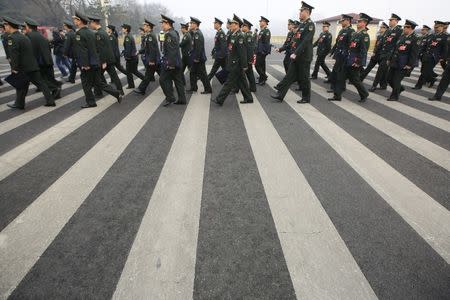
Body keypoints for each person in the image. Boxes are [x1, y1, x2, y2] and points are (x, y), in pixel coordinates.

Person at [71, 11, 122, 108]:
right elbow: (97, 49)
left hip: (88, 64)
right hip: (95, 62)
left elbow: (83, 51)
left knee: (86, 83)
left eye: (75, 20)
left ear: (79, 21)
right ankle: (116, 93)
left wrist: (85, 64)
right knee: (98, 82)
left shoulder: (79, 34)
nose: (74, 21)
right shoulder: (92, 33)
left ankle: (91, 102)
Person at [4, 16, 56, 109]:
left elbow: (15, 55)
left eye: (5, 25)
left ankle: (19, 104)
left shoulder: (12, 38)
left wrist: (14, 68)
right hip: (32, 65)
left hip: (23, 67)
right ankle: (50, 100)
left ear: (9, 26)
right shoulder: (23, 37)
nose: (5, 27)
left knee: (21, 86)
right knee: (41, 83)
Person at [271, 1, 315, 104]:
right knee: (289, 76)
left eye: (301, 11)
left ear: (307, 12)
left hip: (304, 57)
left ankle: (306, 97)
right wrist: (284, 49)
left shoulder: (310, 25)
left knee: (304, 78)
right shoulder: (302, 25)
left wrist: (296, 53)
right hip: (296, 55)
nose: (300, 13)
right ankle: (280, 95)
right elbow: (295, 41)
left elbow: (306, 41)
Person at [328, 13, 371, 102]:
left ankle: (364, 93)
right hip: (348, 59)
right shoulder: (355, 33)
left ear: (364, 23)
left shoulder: (364, 35)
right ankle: (337, 96)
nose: (357, 23)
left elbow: (363, 51)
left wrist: (358, 62)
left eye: (360, 21)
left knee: (355, 80)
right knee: (340, 77)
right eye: (358, 21)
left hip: (354, 61)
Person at [211, 14, 253, 106]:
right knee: (243, 82)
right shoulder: (234, 35)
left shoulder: (240, 36)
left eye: (233, 23)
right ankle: (249, 98)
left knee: (229, 83)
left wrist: (245, 65)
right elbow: (230, 49)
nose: (231, 25)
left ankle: (220, 99)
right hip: (234, 62)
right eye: (231, 23)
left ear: (237, 25)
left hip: (237, 64)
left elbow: (242, 53)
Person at [23, 17, 62, 99]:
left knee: (40, 79)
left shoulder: (28, 36)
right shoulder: (41, 36)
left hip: (39, 61)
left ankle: (55, 88)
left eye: (25, 26)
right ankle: (56, 89)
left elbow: (31, 51)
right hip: (47, 60)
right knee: (48, 78)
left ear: (28, 27)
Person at [88, 15, 124, 97]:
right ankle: (120, 91)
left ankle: (99, 92)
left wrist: (103, 61)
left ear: (94, 22)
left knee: (97, 77)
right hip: (109, 59)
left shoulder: (98, 34)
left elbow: (101, 49)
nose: (90, 25)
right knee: (113, 76)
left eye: (90, 23)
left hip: (105, 60)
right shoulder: (103, 32)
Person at [386, 19, 419, 101]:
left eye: (406, 27)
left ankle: (394, 96)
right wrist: (390, 59)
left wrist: (409, 65)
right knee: (389, 79)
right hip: (395, 61)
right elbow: (395, 49)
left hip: (404, 63)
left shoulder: (415, 39)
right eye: (404, 27)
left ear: (410, 28)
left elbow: (414, 54)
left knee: (396, 80)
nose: (404, 29)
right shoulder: (402, 36)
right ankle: (399, 88)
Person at [369, 13, 403, 91]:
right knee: (384, 71)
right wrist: (375, 51)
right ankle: (383, 85)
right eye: (389, 20)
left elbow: (398, 44)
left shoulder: (399, 31)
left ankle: (374, 86)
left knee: (380, 70)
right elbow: (381, 42)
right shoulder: (388, 30)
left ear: (396, 21)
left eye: (391, 20)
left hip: (389, 55)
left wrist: (393, 55)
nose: (390, 22)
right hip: (383, 54)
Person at [159, 14, 186, 107]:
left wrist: (170, 64)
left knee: (162, 80)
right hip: (177, 62)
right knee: (178, 81)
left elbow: (172, 51)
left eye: (163, 23)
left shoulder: (169, 34)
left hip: (172, 63)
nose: (162, 25)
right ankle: (182, 99)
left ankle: (170, 98)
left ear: (167, 24)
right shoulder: (174, 32)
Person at [413, 21, 448, 89]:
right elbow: (425, 45)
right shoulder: (431, 35)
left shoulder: (444, 37)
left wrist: (443, 57)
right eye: (435, 27)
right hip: (426, 56)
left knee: (424, 71)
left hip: (434, 57)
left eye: (437, 27)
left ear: (442, 27)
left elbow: (445, 49)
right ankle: (432, 79)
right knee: (424, 70)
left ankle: (418, 85)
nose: (436, 28)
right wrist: (421, 53)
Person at [326, 14, 354, 92]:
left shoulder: (351, 31)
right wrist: (332, 52)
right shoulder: (342, 30)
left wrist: (348, 55)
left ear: (348, 21)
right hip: (339, 54)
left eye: (343, 21)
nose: (341, 22)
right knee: (337, 72)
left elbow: (350, 45)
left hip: (344, 55)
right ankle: (339, 87)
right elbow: (337, 43)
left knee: (338, 72)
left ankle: (336, 88)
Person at [134, 19, 160, 95]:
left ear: (148, 26)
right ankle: (142, 89)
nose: (143, 27)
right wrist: (139, 51)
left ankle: (141, 89)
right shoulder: (149, 35)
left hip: (153, 60)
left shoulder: (150, 36)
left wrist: (151, 60)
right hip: (154, 59)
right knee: (159, 74)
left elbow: (152, 49)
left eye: (144, 26)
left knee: (148, 75)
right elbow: (146, 48)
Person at [187, 17, 212, 94]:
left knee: (202, 74)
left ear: (195, 24)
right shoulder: (195, 33)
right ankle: (193, 87)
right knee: (192, 72)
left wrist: (197, 58)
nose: (190, 25)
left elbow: (198, 47)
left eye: (191, 23)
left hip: (199, 58)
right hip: (196, 57)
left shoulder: (198, 34)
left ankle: (208, 89)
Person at [121, 23, 145, 89]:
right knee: (134, 71)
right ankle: (144, 80)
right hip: (133, 57)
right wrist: (123, 52)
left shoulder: (127, 37)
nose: (122, 29)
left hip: (131, 58)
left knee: (130, 72)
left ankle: (143, 81)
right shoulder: (129, 36)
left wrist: (126, 57)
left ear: (126, 29)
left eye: (123, 28)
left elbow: (128, 49)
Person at [255, 16, 271, 85]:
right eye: (260, 21)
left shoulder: (266, 31)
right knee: (262, 65)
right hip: (259, 50)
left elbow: (266, 43)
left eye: (261, 21)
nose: (260, 22)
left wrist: (264, 51)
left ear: (265, 22)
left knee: (257, 65)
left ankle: (263, 76)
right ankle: (262, 78)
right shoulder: (262, 30)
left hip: (262, 51)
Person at [242, 18, 257, 92]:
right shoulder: (246, 35)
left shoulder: (248, 36)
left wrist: (250, 60)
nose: (242, 27)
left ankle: (252, 88)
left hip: (248, 59)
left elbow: (250, 49)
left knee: (249, 74)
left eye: (243, 26)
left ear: (246, 27)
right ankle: (253, 87)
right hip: (247, 58)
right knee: (249, 73)